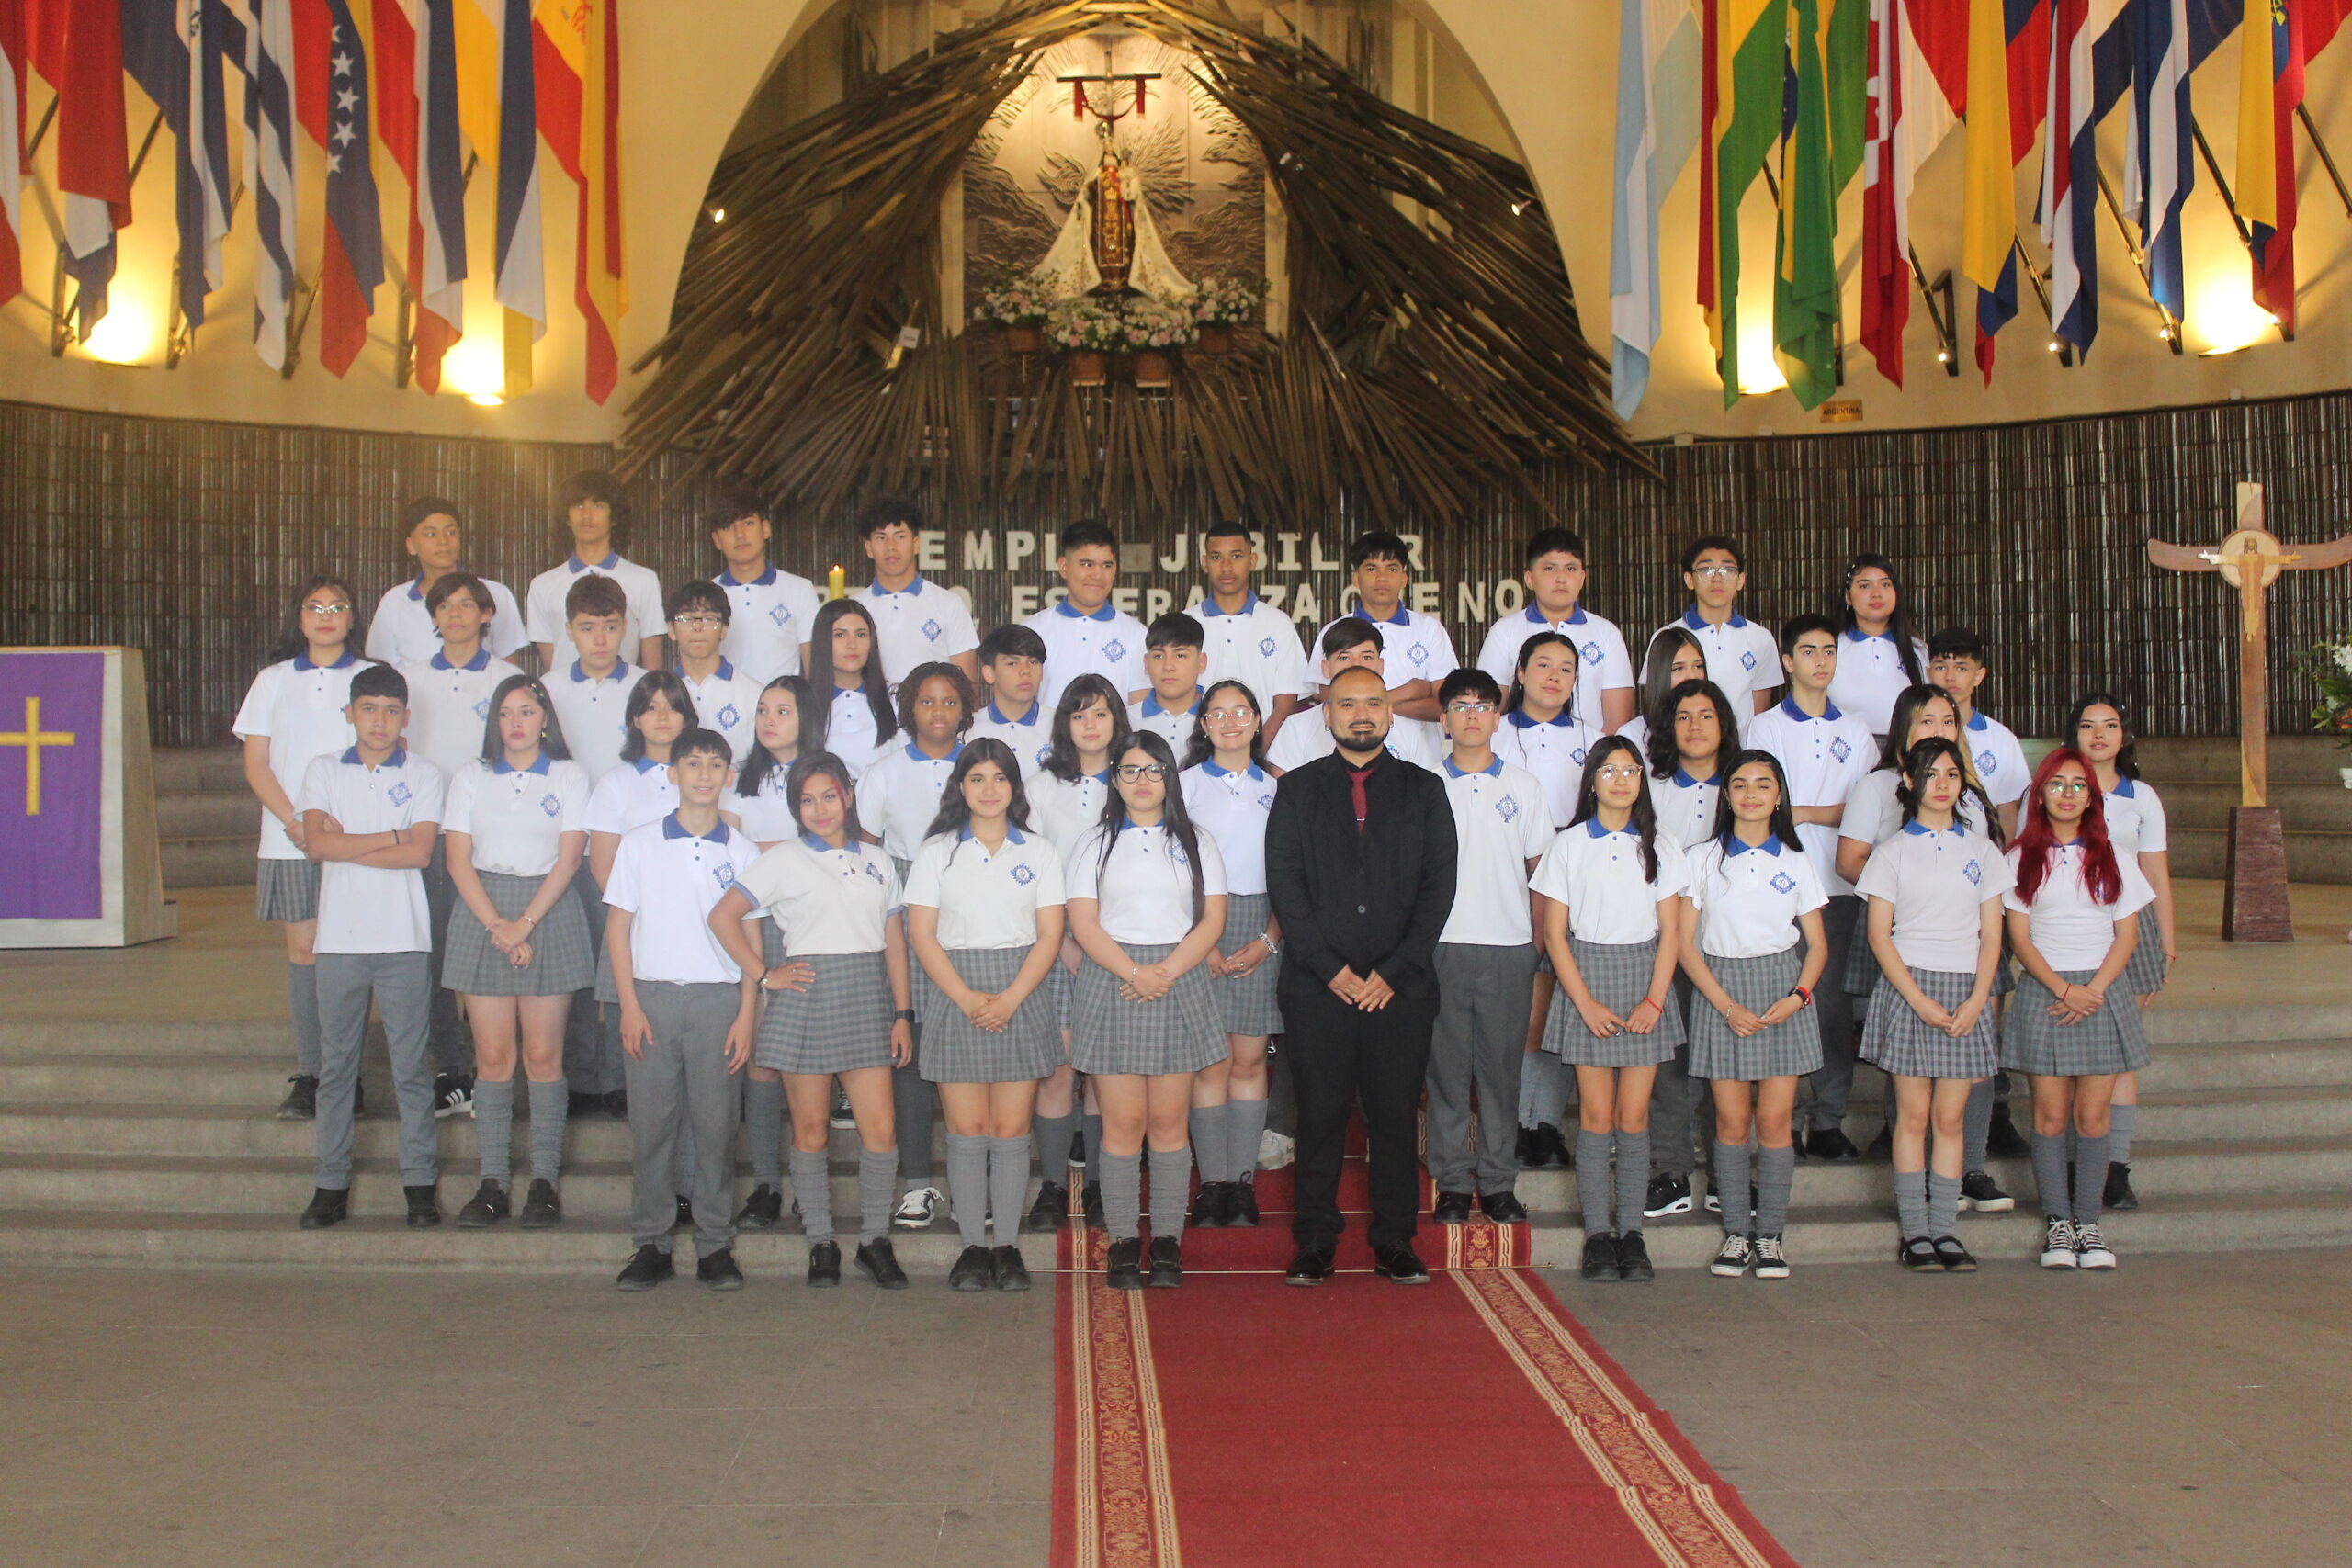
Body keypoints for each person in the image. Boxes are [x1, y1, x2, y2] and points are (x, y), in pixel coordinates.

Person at [1264, 665, 1458, 1286]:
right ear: (1327, 715)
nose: (1361, 714)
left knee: (1394, 1116)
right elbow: (1286, 888)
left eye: (1373, 702)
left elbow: (1438, 889)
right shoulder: (1297, 790)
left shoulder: (1425, 790)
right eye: (1347, 704)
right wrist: (1331, 969)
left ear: (1390, 712)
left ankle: (1396, 1240)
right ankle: (1315, 1240)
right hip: (1316, 987)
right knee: (1319, 1116)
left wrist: (1393, 971)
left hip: (1400, 989)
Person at [708, 753, 916, 1290]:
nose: (820, 809)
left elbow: (895, 942)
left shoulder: (879, 860)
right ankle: (821, 1241)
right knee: (811, 1128)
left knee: (880, 1128)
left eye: (829, 796)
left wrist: (902, 1013)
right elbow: (722, 916)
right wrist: (763, 975)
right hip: (807, 996)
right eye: (807, 800)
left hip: (867, 997)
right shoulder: (783, 859)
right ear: (795, 806)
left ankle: (874, 1240)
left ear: (847, 795)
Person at [1832, 684, 2024, 1198]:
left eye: (1947, 721)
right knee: (1909, 1066)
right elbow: (1850, 861)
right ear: (1903, 730)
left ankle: (1969, 1168)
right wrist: (1904, 897)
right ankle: (1913, 1180)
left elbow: (1986, 872)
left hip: (1968, 947)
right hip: (1902, 938)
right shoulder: (1876, 788)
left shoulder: (1970, 793)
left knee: (1971, 1063)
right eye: (1926, 721)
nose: (1938, 730)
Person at [1067, 731, 1229, 1289]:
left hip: (1177, 979)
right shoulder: (1093, 843)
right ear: (1114, 780)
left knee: (1166, 1123)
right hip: (1114, 980)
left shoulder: (1197, 840)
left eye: (1154, 769)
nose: (1143, 781)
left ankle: (1165, 1241)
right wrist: (1134, 972)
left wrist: (1166, 971)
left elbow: (1212, 919)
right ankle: (1121, 1241)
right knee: (1123, 1124)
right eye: (1130, 770)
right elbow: (1083, 921)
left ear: (1169, 777)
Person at [905, 740, 1067, 1292]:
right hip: (957, 992)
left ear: (1014, 786)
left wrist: (1011, 998)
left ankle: (1008, 1248)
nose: (989, 789)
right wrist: (967, 998)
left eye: (1000, 778)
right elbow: (922, 936)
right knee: (967, 1131)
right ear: (960, 787)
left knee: (1012, 1130)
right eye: (977, 778)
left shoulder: (1039, 852)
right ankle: (973, 1246)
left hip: (1021, 991)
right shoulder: (936, 852)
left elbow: (1050, 935)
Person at [605, 728, 762, 1292]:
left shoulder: (742, 852)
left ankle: (715, 1244)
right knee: (653, 1127)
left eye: (715, 765)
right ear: (672, 773)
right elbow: (618, 928)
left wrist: (746, 1012)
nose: (703, 775)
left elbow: (751, 940)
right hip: (653, 999)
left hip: (718, 1001)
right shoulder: (639, 844)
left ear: (728, 777)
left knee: (716, 1128)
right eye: (692, 764)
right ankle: (651, 1243)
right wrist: (628, 1004)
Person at [293, 665, 447, 1230]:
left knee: (412, 1070)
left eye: (390, 710)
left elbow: (420, 853)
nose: (379, 721)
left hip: (404, 939)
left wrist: (347, 843)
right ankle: (330, 1185)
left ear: (406, 717)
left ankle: (420, 1187)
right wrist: (392, 834)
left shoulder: (426, 773)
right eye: (368, 708)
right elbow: (316, 845)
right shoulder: (323, 770)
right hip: (339, 942)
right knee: (337, 1070)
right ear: (350, 714)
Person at [1533, 736, 1688, 1282]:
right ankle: (1599, 1234)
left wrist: (1655, 1000)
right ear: (1592, 781)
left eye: (1630, 770)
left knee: (1633, 1117)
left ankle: (1632, 1233)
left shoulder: (1661, 845)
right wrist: (1585, 1003)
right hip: (1587, 979)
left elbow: (1671, 932)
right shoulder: (1569, 844)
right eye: (1609, 770)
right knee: (1597, 1118)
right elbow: (1555, 935)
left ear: (1641, 781)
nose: (1620, 780)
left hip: (1645, 978)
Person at [441, 675, 593, 1230]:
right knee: (493, 1057)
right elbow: (457, 859)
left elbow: (570, 857)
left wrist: (524, 923)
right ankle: (493, 1182)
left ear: (545, 717)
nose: (516, 723)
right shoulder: (471, 776)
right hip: (483, 909)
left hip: (547, 909)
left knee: (544, 1057)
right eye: (505, 713)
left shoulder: (570, 775)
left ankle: (544, 1182)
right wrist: (498, 926)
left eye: (526, 711)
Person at [1857, 738, 2012, 1273]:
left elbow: (1992, 936)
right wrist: (1919, 1001)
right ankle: (1915, 1232)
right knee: (1914, 1115)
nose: (1942, 784)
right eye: (1930, 774)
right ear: (1909, 781)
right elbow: (1880, 936)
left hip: (1966, 990)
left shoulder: (1983, 851)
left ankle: (1945, 1229)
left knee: (1950, 1118)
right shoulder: (1892, 852)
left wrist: (1978, 1000)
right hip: (1910, 989)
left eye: (1951, 774)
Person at [2002, 748, 2155, 1271]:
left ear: (2091, 797)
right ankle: (2058, 1225)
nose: (2067, 794)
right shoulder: (2018, 859)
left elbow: (2127, 933)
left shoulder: (2114, 856)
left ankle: (2088, 1222)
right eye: (2056, 784)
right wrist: (2064, 990)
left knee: (2092, 1117)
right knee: (2049, 1116)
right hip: (2046, 991)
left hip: (2102, 992)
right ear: (2040, 795)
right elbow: (2020, 938)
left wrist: (2095, 990)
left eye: (2078, 785)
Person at [1680, 750, 1829, 1281]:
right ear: (1726, 795)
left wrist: (1798, 996)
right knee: (1731, 1121)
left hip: (1781, 992)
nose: (1751, 794)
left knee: (1773, 1122)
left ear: (1779, 796)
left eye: (1763, 785)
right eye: (1740, 784)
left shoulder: (1796, 859)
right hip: (1720, 991)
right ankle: (1736, 1234)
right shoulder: (1701, 858)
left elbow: (1817, 946)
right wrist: (1725, 1005)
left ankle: (1770, 1235)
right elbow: (1685, 946)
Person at [236, 577, 369, 1121]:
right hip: (289, 838)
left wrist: (347, 829)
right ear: (299, 617)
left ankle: (348, 1076)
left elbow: (388, 754)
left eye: (337, 607)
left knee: (353, 953)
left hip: (355, 839)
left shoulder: (369, 677)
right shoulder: (272, 680)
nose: (326, 615)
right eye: (315, 607)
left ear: (352, 617)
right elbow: (257, 763)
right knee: (305, 951)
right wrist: (296, 821)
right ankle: (313, 1073)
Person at [1746, 615, 1876, 1165]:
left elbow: (1867, 809)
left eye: (1828, 651)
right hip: (1777, 887)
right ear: (1787, 661)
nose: (1820, 661)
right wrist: (1824, 812)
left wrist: (1803, 811)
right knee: (1778, 1000)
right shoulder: (1766, 727)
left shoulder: (1857, 730)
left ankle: (1827, 1120)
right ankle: (1779, 1121)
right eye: (1808, 651)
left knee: (1830, 1006)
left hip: (1839, 886)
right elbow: (1763, 804)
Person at [1424, 669, 1552, 1231]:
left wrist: (1538, 946)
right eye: (1460, 706)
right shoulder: (1424, 785)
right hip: (1442, 947)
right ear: (1444, 719)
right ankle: (1453, 1182)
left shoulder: (1524, 786)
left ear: (1498, 718)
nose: (1472, 715)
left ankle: (1499, 1182)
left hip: (1509, 946)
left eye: (1482, 705)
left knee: (1501, 1072)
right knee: (1446, 1072)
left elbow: (1541, 873)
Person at [856, 660, 978, 1232]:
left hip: (972, 902)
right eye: (926, 701)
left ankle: (972, 1181)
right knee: (909, 1043)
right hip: (904, 904)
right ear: (909, 709)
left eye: (950, 701)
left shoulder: (983, 764)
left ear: (966, 708)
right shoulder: (883, 772)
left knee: (965, 1045)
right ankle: (917, 1184)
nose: (938, 712)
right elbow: (865, 849)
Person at [401, 571, 524, 1116]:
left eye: (466, 604)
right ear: (433, 616)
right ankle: (449, 1070)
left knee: (485, 952)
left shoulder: (509, 679)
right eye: (444, 606)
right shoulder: (408, 679)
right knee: (431, 955)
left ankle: (489, 1069)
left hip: (489, 839)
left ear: (486, 614)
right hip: (427, 836)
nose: (455, 614)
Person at [1494, 628, 1603, 1168]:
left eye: (1566, 668)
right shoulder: (1492, 731)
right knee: (1522, 1006)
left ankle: (1547, 1124)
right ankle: (1513, 1122)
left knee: (1562, 1002)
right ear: (1520, 673)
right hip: (1505, 880)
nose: (1554, 677)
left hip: (1575, 881)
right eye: (1543, 665)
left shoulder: (1594, 738)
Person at [1179, 679, 1286, 1228]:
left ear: (1257, 719)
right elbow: (1170, 869)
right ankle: (1211, 1184)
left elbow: (1296, 873)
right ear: (1203, 724)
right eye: (1217, 713)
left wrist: (1270, 938)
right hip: (1197, 927)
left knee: (1248, 1061)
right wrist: (1200, 942)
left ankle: (1241, 1185)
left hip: (1263, 927)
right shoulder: (1182, 786)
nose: (1230, 722)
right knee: (1209, 1064)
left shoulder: (1282, 786)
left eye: (1241, 711)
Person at [1029, 673, 1133, 1226]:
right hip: (1055, 942)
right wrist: (1064, 939)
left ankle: (1096, 1184)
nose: (1090, 725)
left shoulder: (1135, 778)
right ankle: (1051, 1186)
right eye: (1078, 714)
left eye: (1100, 713)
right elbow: (1030, 869)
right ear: (1064, 724)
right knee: (1060, 1067)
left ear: (1117, 720)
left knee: (1104, 1069)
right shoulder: (1042, 785)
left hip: (1121, 946)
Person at [1639, 677, 1742, 1222]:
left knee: (1727, 1065)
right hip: (1666, 945)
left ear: (1723, 724)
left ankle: (1729, 1174)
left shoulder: (1747, 783)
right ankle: (1671, 1170)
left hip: (1731, 947)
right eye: (1683, 717)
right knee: (1670, 1067)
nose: (1695, 726)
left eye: (1706, 715)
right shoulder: (1651, 788)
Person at [724, 674, 824, 1228]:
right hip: (759, 925)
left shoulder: (826, 775)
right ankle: (766, 1184)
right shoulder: (739, 779)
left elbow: (834, 844)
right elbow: (732, 854)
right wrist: (782, 852)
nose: (769, 720)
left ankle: (811, 1188)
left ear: (805, 717)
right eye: (763, 710)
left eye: (782, 710)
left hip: (818, 925)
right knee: (763, 1057)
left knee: (814, 1057)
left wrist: (769, 853)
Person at [2071, 693, 2174, 1212]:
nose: (2099, 735)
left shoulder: (2142, 797)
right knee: (2074, 1050)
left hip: (2132, 930)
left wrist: (2168, 941)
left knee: (2118, 1049)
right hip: (2070, 934)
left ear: (2123, 736)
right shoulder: (2054, 789)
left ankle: (2115, 1167)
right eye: (2088, 725)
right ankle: (2077, 1159)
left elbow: (2156, 873)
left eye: (2109, 725)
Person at [1475, 528, 1634, 734]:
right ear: (1530, 579)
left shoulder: (1607, 633)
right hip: (1515, 748)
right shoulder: (1504, 631)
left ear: (1582, 578)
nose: (1561, 578)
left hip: (1590, 751)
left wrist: (1596, 753)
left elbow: (1617, 723)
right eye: (1550, 569)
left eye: (1571, 569)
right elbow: (1489, 711)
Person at [1319, 531, 1458, 757]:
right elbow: (1329, 702)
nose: (1381, 578)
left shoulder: (1429, 629)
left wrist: (1372, 703)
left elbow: (1446, 706)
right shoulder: (1334, 631)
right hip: (1348, 759)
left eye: (1392, 569)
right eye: (1371, 569)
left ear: (1404, 578)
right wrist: (1408, 692)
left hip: (1418, 760)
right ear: (1356, 578)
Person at [526, 470, 665, 675]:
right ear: (566, 517)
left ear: (614, 517)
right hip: (564, 696)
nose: (587, 515)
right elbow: (550, 667)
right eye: (578, 505)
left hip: (626, 694)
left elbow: (653, 666)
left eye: (598, 505)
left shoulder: (644, 580)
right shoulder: (542, 586)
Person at [365, 498, 528, 667]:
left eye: (451, 532)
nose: (443, 541)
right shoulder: (394, 602)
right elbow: (380, 668)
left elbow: (509, 667)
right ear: (411, 545)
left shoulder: (496, 594)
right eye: (431, 534)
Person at [1267, 618, 1441, 772]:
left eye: (1366, 657)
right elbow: (1284, 790)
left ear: (1380, 665)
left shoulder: (1408, 730)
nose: (1356, 665)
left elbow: (1424, 787)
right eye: (1344, 658)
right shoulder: (1296, 727)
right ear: (1326, 668)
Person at [851, 497, 978, 689]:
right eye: (881, 538)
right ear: (869, 548)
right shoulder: (855, 609)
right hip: (872, 710)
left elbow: (967, 686)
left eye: (900, 536)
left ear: (916, 544)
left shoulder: (949, 604)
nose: (891, 546)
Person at [1194, 520, 1306, 739]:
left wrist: (1256, 752)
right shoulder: (1187, 623)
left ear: (1252, 561)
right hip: (1197, 752)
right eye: (1216, 557)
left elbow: (1285, 706)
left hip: (1263, 753)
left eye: (1236, 556)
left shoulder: (1278, 623)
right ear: (1205, 563)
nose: (1226, 567)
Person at [1659, 536, 1780, 734]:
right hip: (1682, 747)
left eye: (1727, 570)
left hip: (1740, 751)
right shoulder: (1665, 636)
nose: (1717, 578)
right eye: (1706, 570)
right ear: (1689, 579)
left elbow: (1760, 713)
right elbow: (1657, 703)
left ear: (1740, 580)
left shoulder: (1761, 638)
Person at [1026, 519, 1148, 712]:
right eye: (1087, 564)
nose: (1097, 575)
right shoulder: (1032, 630)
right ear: (1064, 567)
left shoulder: (1138, 635)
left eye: (1106, 565)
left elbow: (1139, 712)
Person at [707, 487, 821, 684]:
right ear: (717, 540)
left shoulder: (800, 590)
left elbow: (814, 664)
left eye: (748, 523)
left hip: (783, 702)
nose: (740, 534)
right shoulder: (706, 597)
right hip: (723, 704)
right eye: (728, 527)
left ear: (766, 529)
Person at [540, 574, 646, 785]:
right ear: (569, 631)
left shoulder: (646, 686)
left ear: (625, 627)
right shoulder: (549, 688)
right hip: (567, 802)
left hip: (630, 802)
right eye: (587, 629)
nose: (600, 640)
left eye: (610, 627)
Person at [1927, 626, 2030, 840]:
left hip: (1983, 852)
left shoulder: (2001, 739)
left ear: (1979, 675)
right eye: (1941, 667)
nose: (1950, 677)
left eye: (1961, 668)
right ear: (1928, 673)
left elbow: (2008, 812)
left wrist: (2002, 857)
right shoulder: (1916, 731)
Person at [1827, 554, 1928, 739]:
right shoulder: (1831, 649)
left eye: (1886, 584)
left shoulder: (1918, 650)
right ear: (1848, 596)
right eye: (1865, 586)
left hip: (1905, 750)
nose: (1876, 593)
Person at [668, 581, 764, 765]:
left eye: (709, 618)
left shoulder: (753, 694)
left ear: (724, 629)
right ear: (671, 629)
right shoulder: (661, 694)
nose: (698, 627)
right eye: (686, 619)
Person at [810, 596, 899, 779]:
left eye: (861, 635)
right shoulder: (802, 702)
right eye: (840, 635)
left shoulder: (897, 698)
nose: (852, 645)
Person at [967, 623, 1055, 771]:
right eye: (1012, 663)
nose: (1026, 671)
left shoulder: (1061, 726)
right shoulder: (968, 730)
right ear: (989, 674)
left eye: (1033, 662)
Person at [1618, 626, 1707, 760]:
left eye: (1698, 666)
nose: (1691, 676)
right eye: (1678, 669)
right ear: (1660, 674)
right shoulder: (1632, 734)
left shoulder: (1715, 727)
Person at [1127, 612, 1206, 752]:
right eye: (1158, 656)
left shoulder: (1217, 720)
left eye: (1180, 655)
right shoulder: (1127, 721)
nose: (1168, 666)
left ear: (1202, 662)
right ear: (1146, 663)